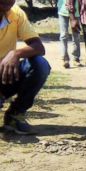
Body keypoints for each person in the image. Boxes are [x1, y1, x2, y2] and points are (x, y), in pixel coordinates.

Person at [0, 0, 51, 135]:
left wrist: (16, 53)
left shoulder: (16, 13)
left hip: (5, 76)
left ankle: (15, 115)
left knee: (40, 64)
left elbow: (39, 47)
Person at [57, 0, 80, 69]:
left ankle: (76, 58)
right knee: (63, 35)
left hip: (76, 11)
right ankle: (65, 58)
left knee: (76, 34)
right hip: (63, 11)